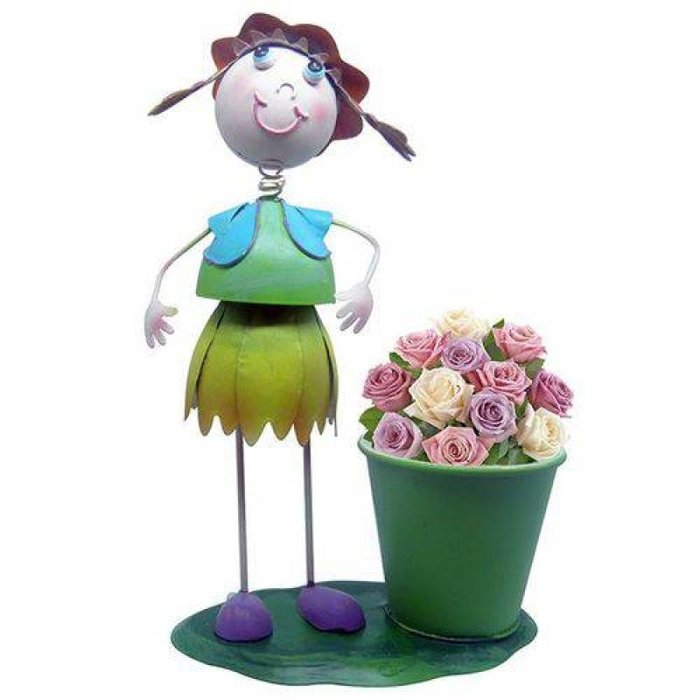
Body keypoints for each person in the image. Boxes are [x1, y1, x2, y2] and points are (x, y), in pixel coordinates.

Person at [144, 13, 413, 642]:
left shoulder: (310, 220)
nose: (285, 91)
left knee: (307, 454)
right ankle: (245, 588)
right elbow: (175, 257)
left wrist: (364, 288)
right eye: (261, 66)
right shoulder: (232, 220)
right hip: (234, 342)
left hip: (302, 347)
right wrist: (154, 301)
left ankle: (311, 579)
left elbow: (373, 244)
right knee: (242, 457)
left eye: (312, 76)